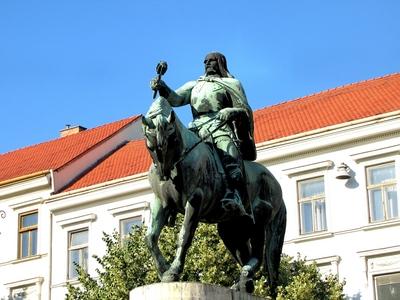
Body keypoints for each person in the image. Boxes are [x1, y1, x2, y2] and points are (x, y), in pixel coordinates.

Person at [150, 52, 256, 221]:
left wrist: (230, 111)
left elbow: (245, 110)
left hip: (219, 128)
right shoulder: (195, 85)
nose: (208, 64)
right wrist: (162, 87)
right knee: (174, 152)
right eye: (205, 61)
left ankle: (234, 195)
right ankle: (170, 199)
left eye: (212, 61)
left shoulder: (231, 83)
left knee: (229, 154)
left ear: (220, 63)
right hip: (196, 129)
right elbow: (176, 99)